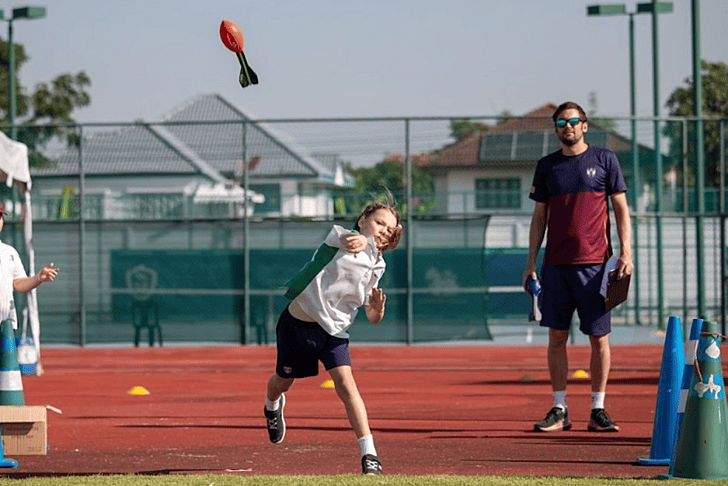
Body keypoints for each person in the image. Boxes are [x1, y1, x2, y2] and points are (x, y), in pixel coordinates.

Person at [264, 200, 402, 475]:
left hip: (335, 333)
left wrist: (377, 310)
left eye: (390, 230)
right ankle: (271, 406)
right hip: (298, 326)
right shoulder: (340, 236)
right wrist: (362, 240)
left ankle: (370, 455)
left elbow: (371, 315)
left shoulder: (378, 266)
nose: (383, 231)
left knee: (347, 388)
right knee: (282, 382)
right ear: (363, 219)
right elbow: (353, 241)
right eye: (379, 223)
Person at [522, 101, 633, 433]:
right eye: (561, 121)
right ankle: (559, 408)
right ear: (555, 128)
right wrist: (531, 262)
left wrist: (626, 252)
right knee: (557, 337)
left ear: (585, 125)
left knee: (599, 339)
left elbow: (621, 210)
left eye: (573, 120)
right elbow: (539, 217)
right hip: (555, 267)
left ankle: (598, 409)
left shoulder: (605, 160)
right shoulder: (547, 166)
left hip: (596, 267)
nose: (567, 126)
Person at [0, 203, 60, 329]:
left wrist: (38, 278)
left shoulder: (9, 252)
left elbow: (18, 283)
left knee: (9, 350)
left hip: (5, 323)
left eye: (0, 216)